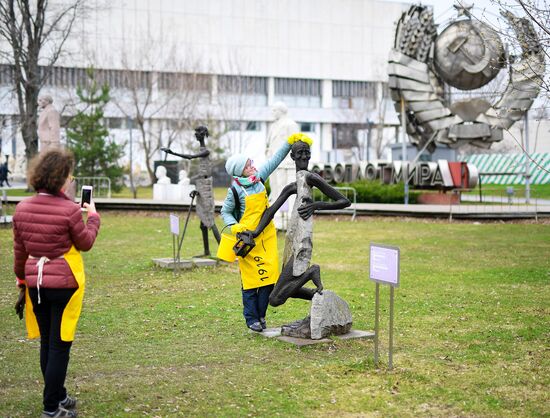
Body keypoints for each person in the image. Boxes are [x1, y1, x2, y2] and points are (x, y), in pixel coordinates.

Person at [13, 149, 100, 418]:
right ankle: (51, 408)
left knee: (47, 342)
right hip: (64, 284)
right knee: (59, 345)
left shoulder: (21, 208)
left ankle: (58, 394)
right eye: (69, 176)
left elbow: (19, 252)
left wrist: (21, 281)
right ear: (61, 179)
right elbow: (85, 243)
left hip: (35, 283)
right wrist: (94, 217)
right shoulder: (69, 210)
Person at [244, 134, 350, 310]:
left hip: (302, 242)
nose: (303, 156)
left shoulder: (311, 178)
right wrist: (255, 232)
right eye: (299, 153)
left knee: (275, 299)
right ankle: (319, 298)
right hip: (291, 242)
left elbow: (344, 201)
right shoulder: (292, 187)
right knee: (289, 289)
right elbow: (270, 211)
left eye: (306, 153)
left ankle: (311, 272)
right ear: (292, 157)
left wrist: (316, 205)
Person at [218, 134, 304, 332]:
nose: (253, 166)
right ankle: (251, 318)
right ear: (240, 171)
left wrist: (289, 142)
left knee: (269, 277)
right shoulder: (235, 191)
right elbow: (225, 212)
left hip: (266, 237)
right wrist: (237, 228)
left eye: (251, 163)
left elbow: (275, 159)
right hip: (247, 241)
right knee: (250, 281)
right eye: (248, 165)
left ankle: (261, 315)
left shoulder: (259, 179)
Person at [161, 126, 220, 256]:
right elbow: (202, 171)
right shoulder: (202, 150)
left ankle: (225, 252)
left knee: (209, 220)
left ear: (202, 135)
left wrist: (172, 153)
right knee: (203, 224)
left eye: (197, 133)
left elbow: (189, 157)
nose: (195, 135)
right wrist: (197, 189)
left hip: (205, 185)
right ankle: (206, 251)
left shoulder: (205, 151)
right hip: (201, 185)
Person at [265, 102, 299, 231]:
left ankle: (287, 221)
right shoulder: (273, 126)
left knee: (285, 191)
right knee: (275, 191)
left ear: (281, 111)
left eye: (274, 110)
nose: (272, 113)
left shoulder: (290, 124)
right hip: (273, 163)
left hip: (285, 164)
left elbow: (296, 143)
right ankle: (276, 219)